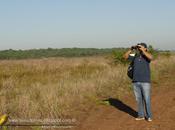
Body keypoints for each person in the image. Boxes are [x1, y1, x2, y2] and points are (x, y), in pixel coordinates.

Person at [123, 43, 153, 122]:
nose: (139, 48)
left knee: (146, 99)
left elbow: (151, 57)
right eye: (138, 47)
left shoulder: (146, 56)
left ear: (146, 48)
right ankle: (141, 115)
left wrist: (143, 50)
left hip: (145, 81)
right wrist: (131, 49)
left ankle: (149, 116)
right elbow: (124, 57)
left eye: (141, 47)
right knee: (138, 100)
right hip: (135, 81)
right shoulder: (135, 56)